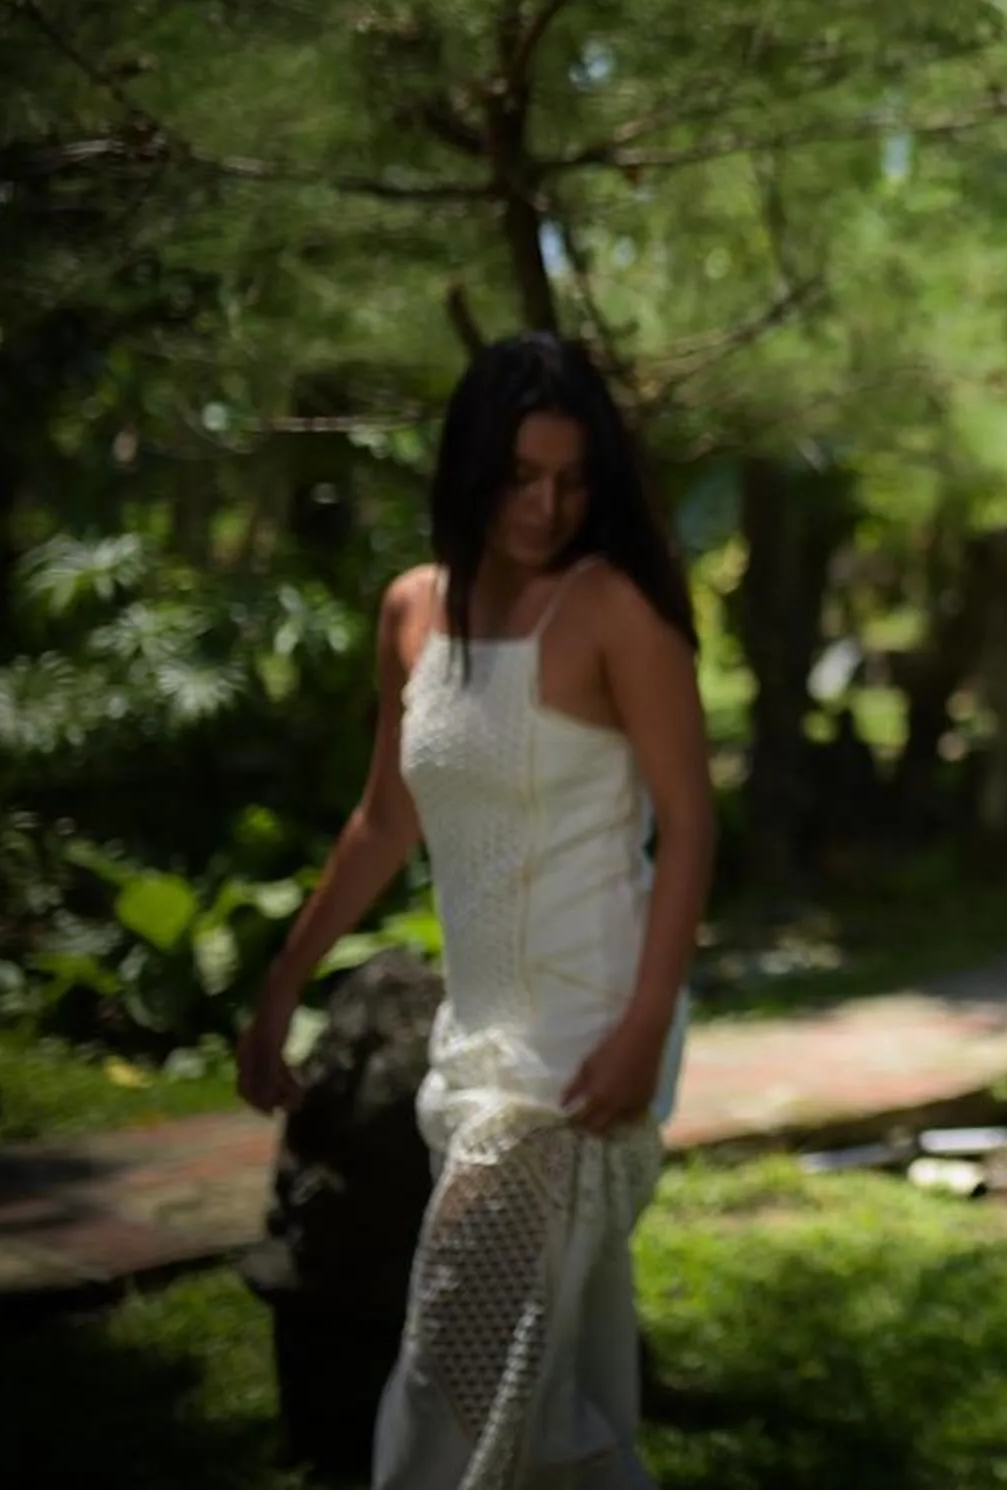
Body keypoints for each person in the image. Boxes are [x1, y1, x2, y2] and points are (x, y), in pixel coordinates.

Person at [239, 332, 716, 1489]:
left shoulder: (614, 612)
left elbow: (692, 822)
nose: (547, 504)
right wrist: (279, 991)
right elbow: (382, 820)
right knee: (543, 1399)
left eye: (573, 478)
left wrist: (645, 1025)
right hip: (479, 1040)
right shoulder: (412, 609)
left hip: (588, 1033)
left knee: (448, 1374)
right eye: (521, 475)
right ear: (468, 467)